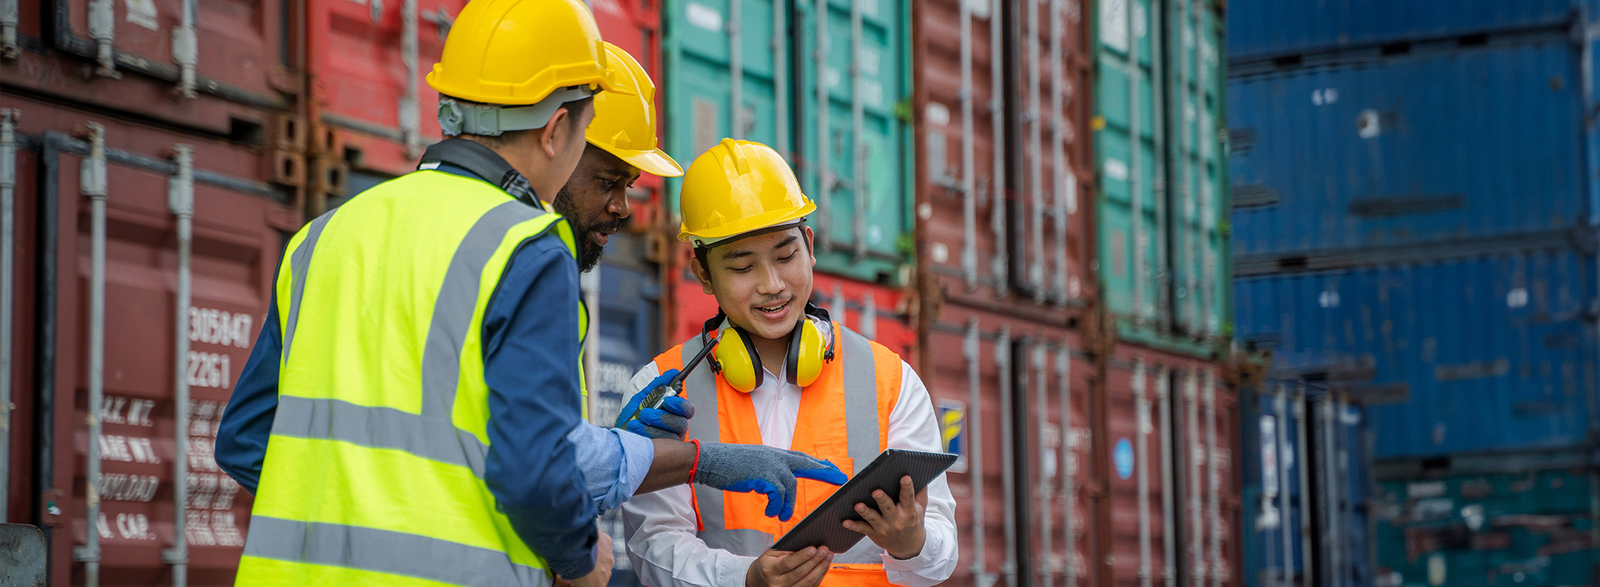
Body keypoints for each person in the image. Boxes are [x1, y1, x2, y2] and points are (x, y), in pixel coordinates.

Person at [215, 2, 840, 584]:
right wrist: (576, 556)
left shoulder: (323, 235)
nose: (623, 206)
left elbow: (248, 441)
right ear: (557, 128)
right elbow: (533, 473)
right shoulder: (524, 245)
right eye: (603, 164)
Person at [619, 139, 960, 587]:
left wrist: (911, 541)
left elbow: (939, 559)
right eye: (743, 268)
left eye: (786, 256)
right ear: (703, 273)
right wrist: (746, 578)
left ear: (810, 245)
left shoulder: (891, 381)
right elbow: (653, 545)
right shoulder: (660, 393)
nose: (772, 284)